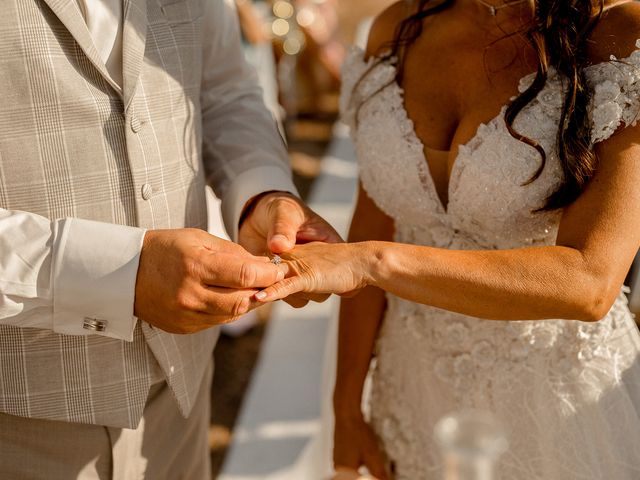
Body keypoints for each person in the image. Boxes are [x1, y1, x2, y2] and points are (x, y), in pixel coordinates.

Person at [257, 0, 640, 478]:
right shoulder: (396, 29)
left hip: (550, 401)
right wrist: (347, 407)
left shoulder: (616, 36)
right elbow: (375, 218)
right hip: (411, 387)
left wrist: (375, 263)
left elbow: (591, 282)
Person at [0, 0, 339, 478]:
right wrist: (120, 276)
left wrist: (259, 192)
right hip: (18, 419)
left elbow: (224, 89)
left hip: (181, 403)